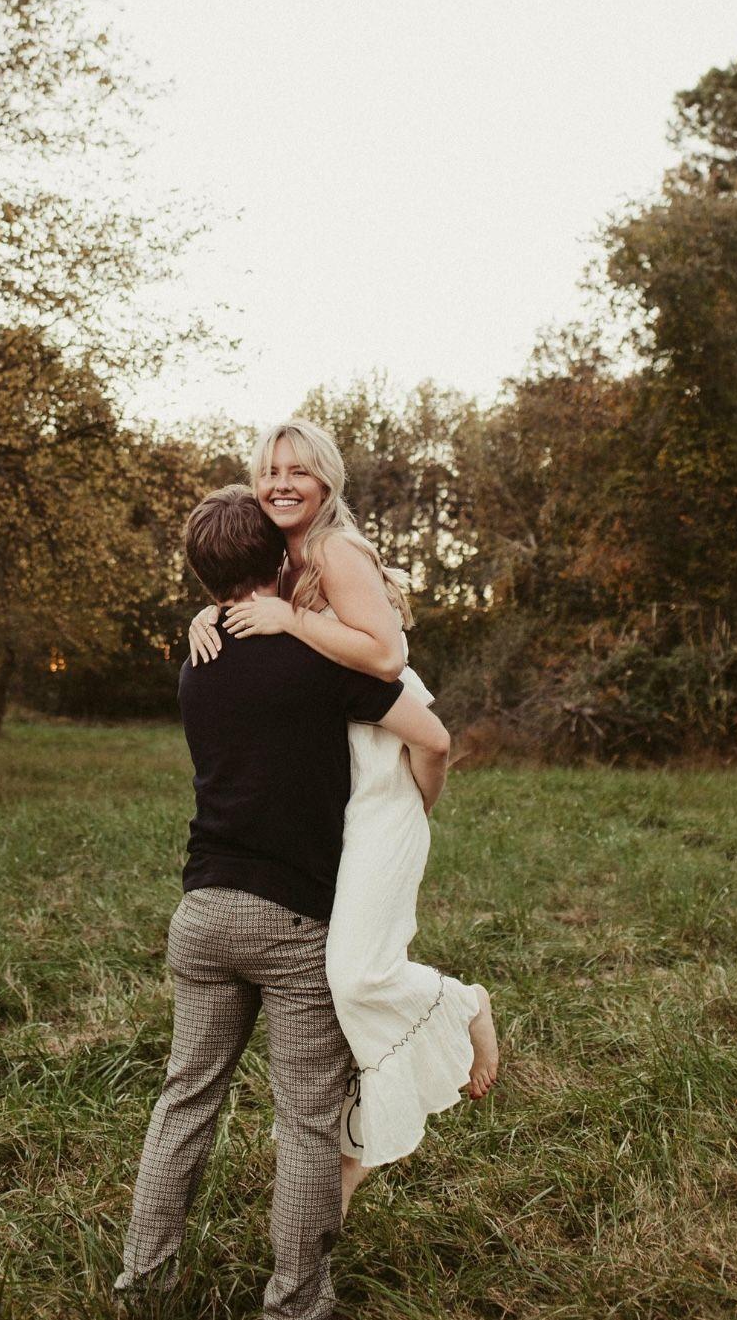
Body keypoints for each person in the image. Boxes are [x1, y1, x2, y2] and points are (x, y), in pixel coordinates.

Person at [114, 485, 453, 1320]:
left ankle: (143, 1283)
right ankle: (296, 1303)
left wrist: (211, 610)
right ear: (278, 561)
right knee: (304, 1122)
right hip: (293, 918)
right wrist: (419, 804)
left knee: (185, 1098)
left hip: (201, 911)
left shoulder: (196, 660)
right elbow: (431, 735)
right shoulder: (320, 661)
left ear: (203, 574)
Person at [187, 418, 499, 1216]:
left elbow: (387, 658)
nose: (281, 483)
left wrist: (291, 621)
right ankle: (352, 1155)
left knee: (355, 975)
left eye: (298, 470)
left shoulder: (332, 550)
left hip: (383, 774)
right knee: (339, 988)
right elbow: (249, 604)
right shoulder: (285, 559)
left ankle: (462, 1004)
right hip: (342, 784)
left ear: (326, 479)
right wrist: (208, 615)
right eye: (268, 470)